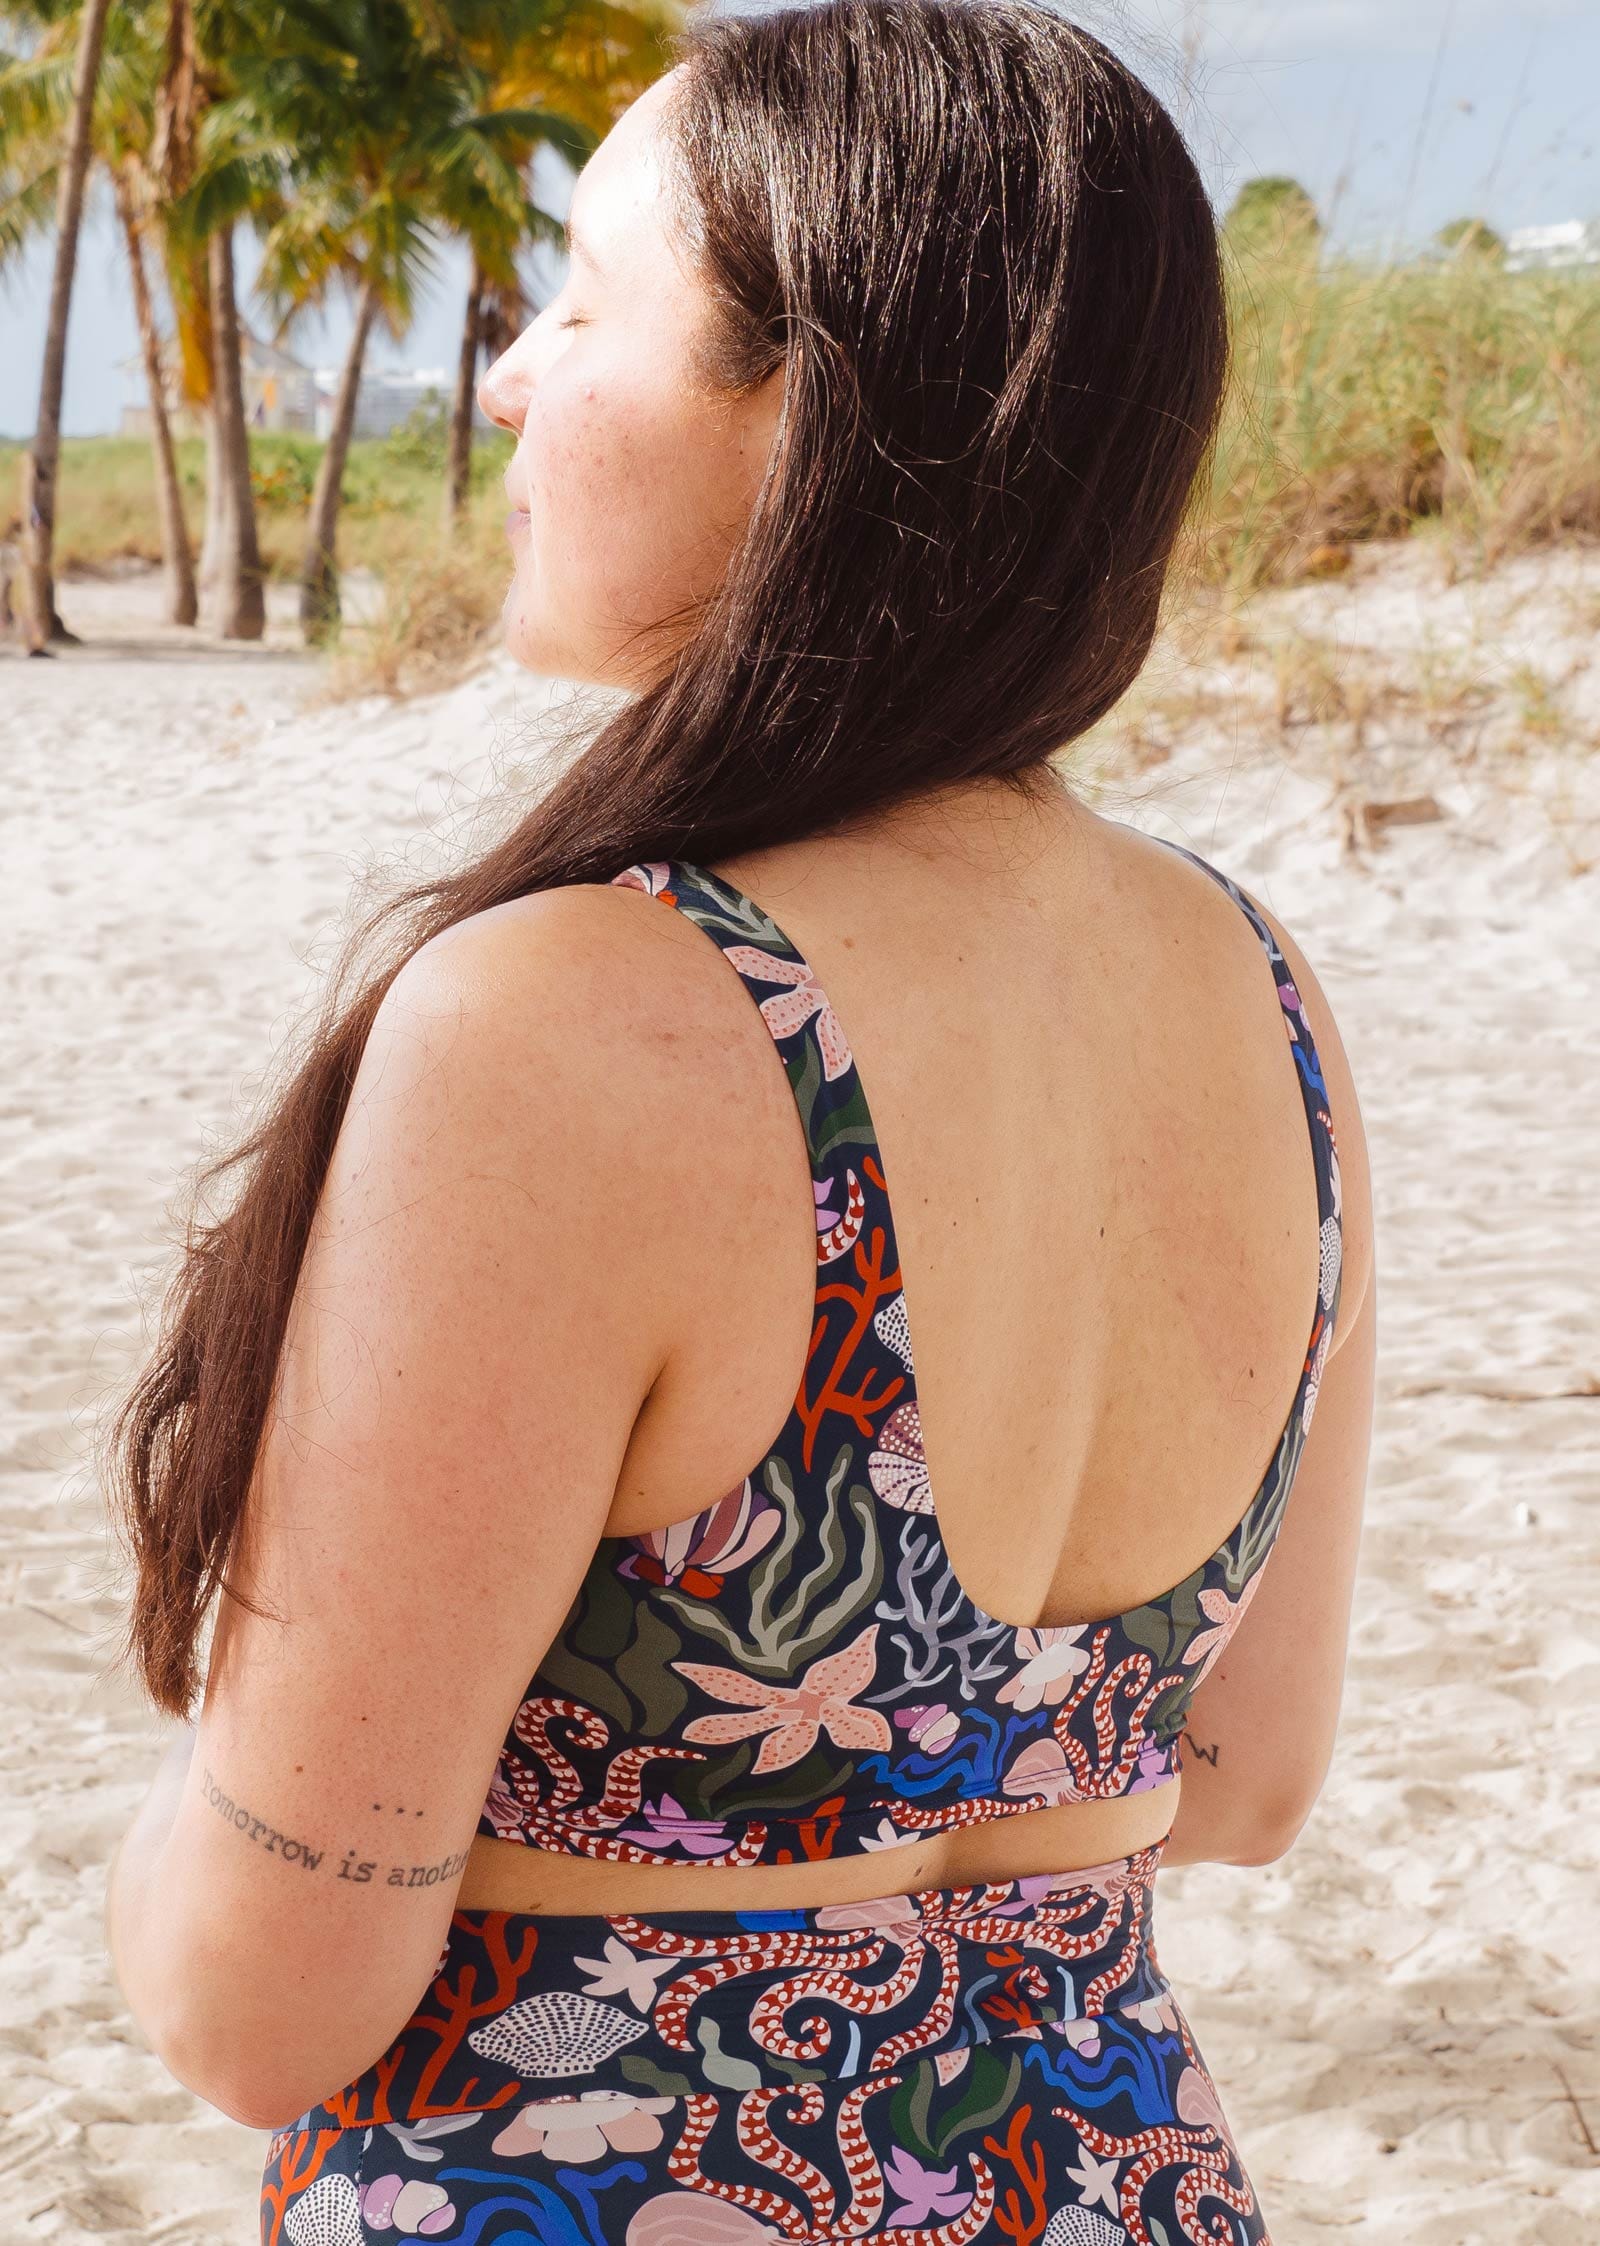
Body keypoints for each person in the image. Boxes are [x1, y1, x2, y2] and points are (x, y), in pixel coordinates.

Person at [103, 6, 1376, 2242]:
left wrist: (175, 1839)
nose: (504, 373)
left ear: (807, 407)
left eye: (583, 303)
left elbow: (259, 2001)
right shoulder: (1258, 998)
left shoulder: (583, 1020)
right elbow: (1239, 1777)